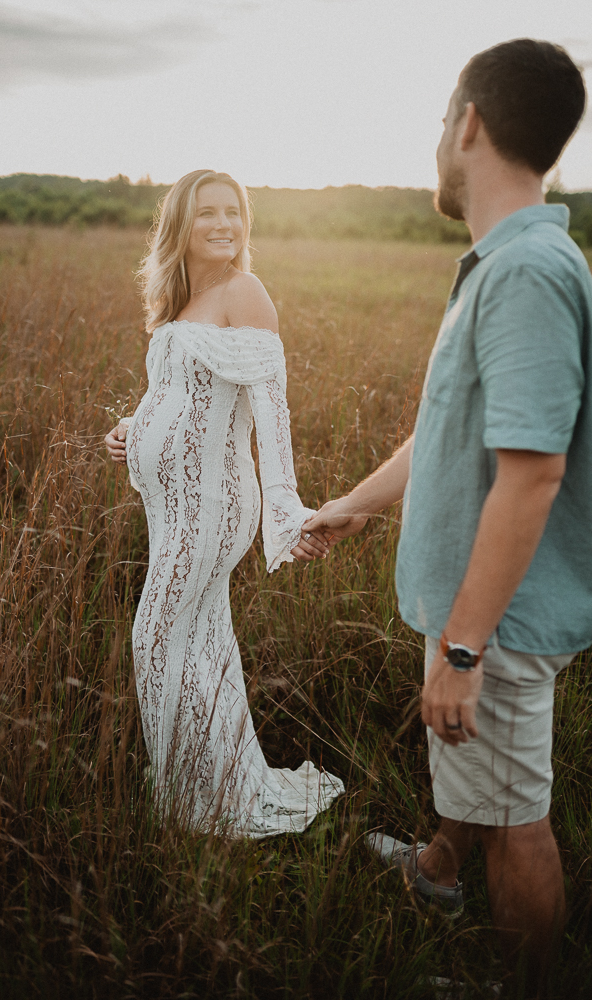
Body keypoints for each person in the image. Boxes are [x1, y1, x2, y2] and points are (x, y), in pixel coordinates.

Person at [305, 39, 590, 995]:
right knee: (484, 773)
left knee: (517, 817)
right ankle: (434, 873)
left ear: (468, 122)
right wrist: (356, 504)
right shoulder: (501, 262)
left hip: (495, 621)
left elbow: (533, 474)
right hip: (477, 612)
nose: (437, 137)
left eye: (440, 119)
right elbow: (449, 438)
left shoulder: (527, 275)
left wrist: (463, 649)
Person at [105, 169, 344, 838]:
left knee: (155, 637)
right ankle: (210, 783)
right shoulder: (187, 293)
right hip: (176, 505)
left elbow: (271, 411)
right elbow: (176, 392)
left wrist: (288, 508)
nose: (223, 225)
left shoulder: (245, 291)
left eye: (232, 213)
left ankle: (196, 802)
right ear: (178, 224)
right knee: (198, 641)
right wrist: (133, 427)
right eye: (207, 213)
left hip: (213, 504)